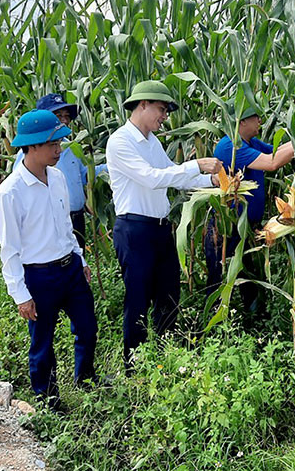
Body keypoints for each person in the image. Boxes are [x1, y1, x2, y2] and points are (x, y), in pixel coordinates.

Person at [105, 80, 222, 371]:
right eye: (161, 109)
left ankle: (167, 358)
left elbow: (171, 175)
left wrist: (211, 182)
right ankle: (134, 367)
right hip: (134, 230)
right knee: (138, 299)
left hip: (159, 229)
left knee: (169, 295)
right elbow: (152, 177)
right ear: (142, 105)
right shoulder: (120, 142)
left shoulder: (151, 142)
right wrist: (197, 165)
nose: (164, 116)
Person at [0, 109, 98, 410]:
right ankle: (47, 398)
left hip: (70, 268)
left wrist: (80, 258)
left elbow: (65, 225)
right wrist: (20, 295)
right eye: (53, 144)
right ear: (32, 146)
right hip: (39, 277)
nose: (59, 149)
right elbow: (9, 248)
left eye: (60, 142)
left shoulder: (58, 177)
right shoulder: (11, 192)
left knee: (88, 329)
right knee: (42, 343)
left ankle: (86, 378)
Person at [204, 105, 294, 323]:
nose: (260, 123)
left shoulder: (251, 143)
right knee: (218, 276)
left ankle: (253, 320)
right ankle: (212, 323)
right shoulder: (230, 147)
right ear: (242, 122)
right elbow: (272, 163)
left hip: (246, 225)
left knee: (248, 274)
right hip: (226, 227)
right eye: (256, 118)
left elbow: (276, 151)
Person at [14, 93, 108, 251]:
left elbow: (84, 175)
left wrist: (112, 166)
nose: (64, 120)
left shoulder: (71, 147)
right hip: (50, 221)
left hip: (75, 218)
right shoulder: (31, 154)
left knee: (76, 262)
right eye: (58, 116)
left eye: (66, 116)